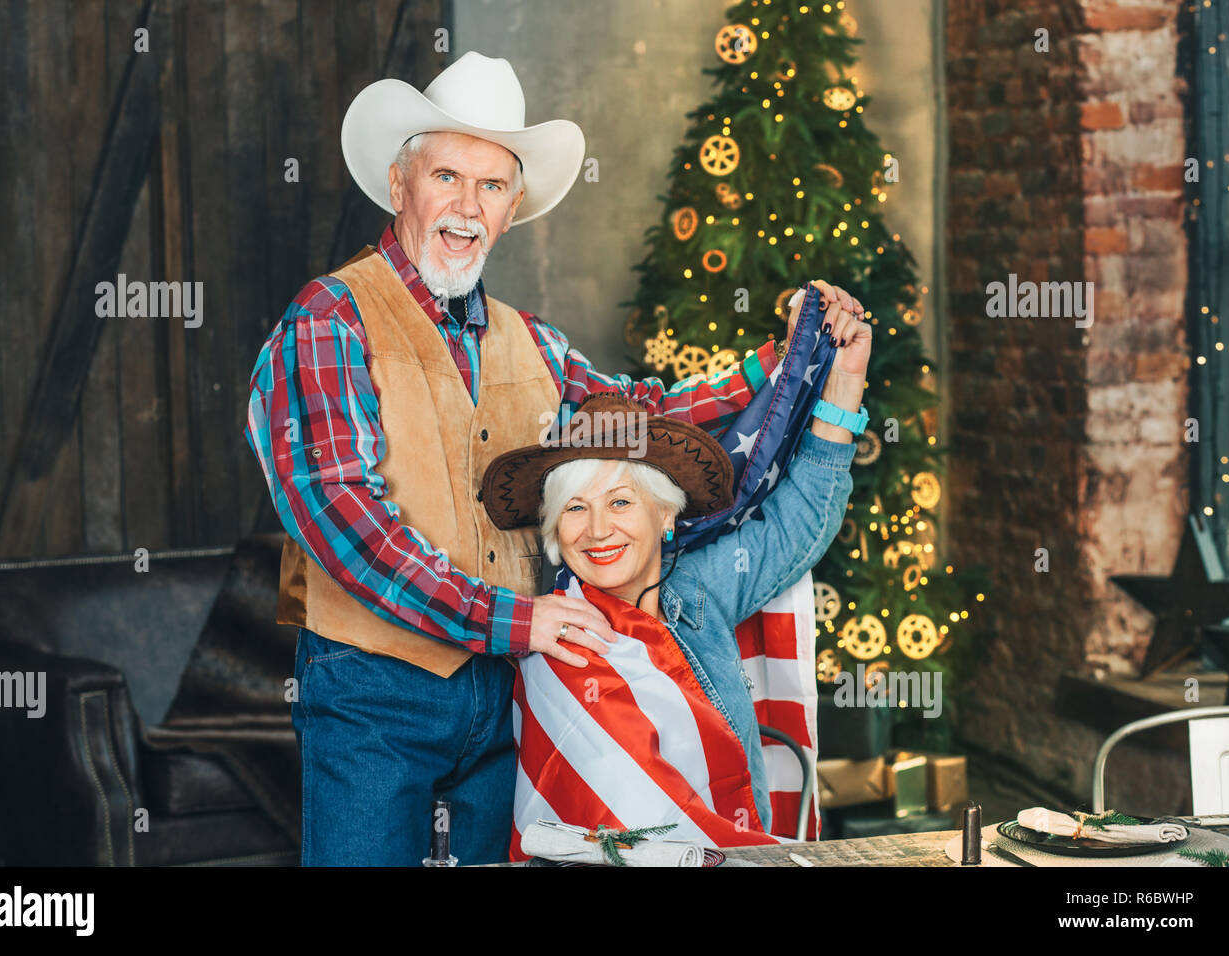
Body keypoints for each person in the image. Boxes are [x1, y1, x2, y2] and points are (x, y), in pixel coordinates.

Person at [246, 50, 868, 865]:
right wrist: (517, 620)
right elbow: (344, 516)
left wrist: (773, 363)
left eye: (493, 186)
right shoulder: (329, 316)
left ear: (511, 209)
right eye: (447, 177)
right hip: (376, 695)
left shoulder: (532, 340)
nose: (467, 206)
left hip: (510, 693)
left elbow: (638, 419)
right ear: (400, 185)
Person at [480, 297, 870, 856]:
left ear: (665, 515)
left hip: (748, 848)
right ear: (554, 530)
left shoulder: (699, 588)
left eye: (619, 502)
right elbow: (631, 827)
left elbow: (801, 521)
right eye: (574, 508)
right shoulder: (557, 641)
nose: (597, 530)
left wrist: (846, 380)